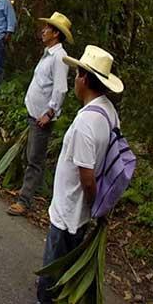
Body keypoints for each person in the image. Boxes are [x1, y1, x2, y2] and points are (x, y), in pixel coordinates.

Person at [37, 45, 124, 303]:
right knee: (68, 261)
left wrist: (93, 203)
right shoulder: (108, 111)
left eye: (76, 75)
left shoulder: (87, 122)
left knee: (53, 266)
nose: (74, 80)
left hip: (69, 212)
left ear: (84, 79)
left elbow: (87, 176)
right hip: (81, 212)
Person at [8, 12, 74, 217]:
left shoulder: (59, 58)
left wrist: (49, 112)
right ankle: (26, 192)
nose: (43, 30)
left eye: (47, 28)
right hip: (35, 114)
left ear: (56, 34)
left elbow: (61, 89)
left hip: (42, 118)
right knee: (31, 156)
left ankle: (24, 201)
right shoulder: (48, 53)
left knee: (35, 160)